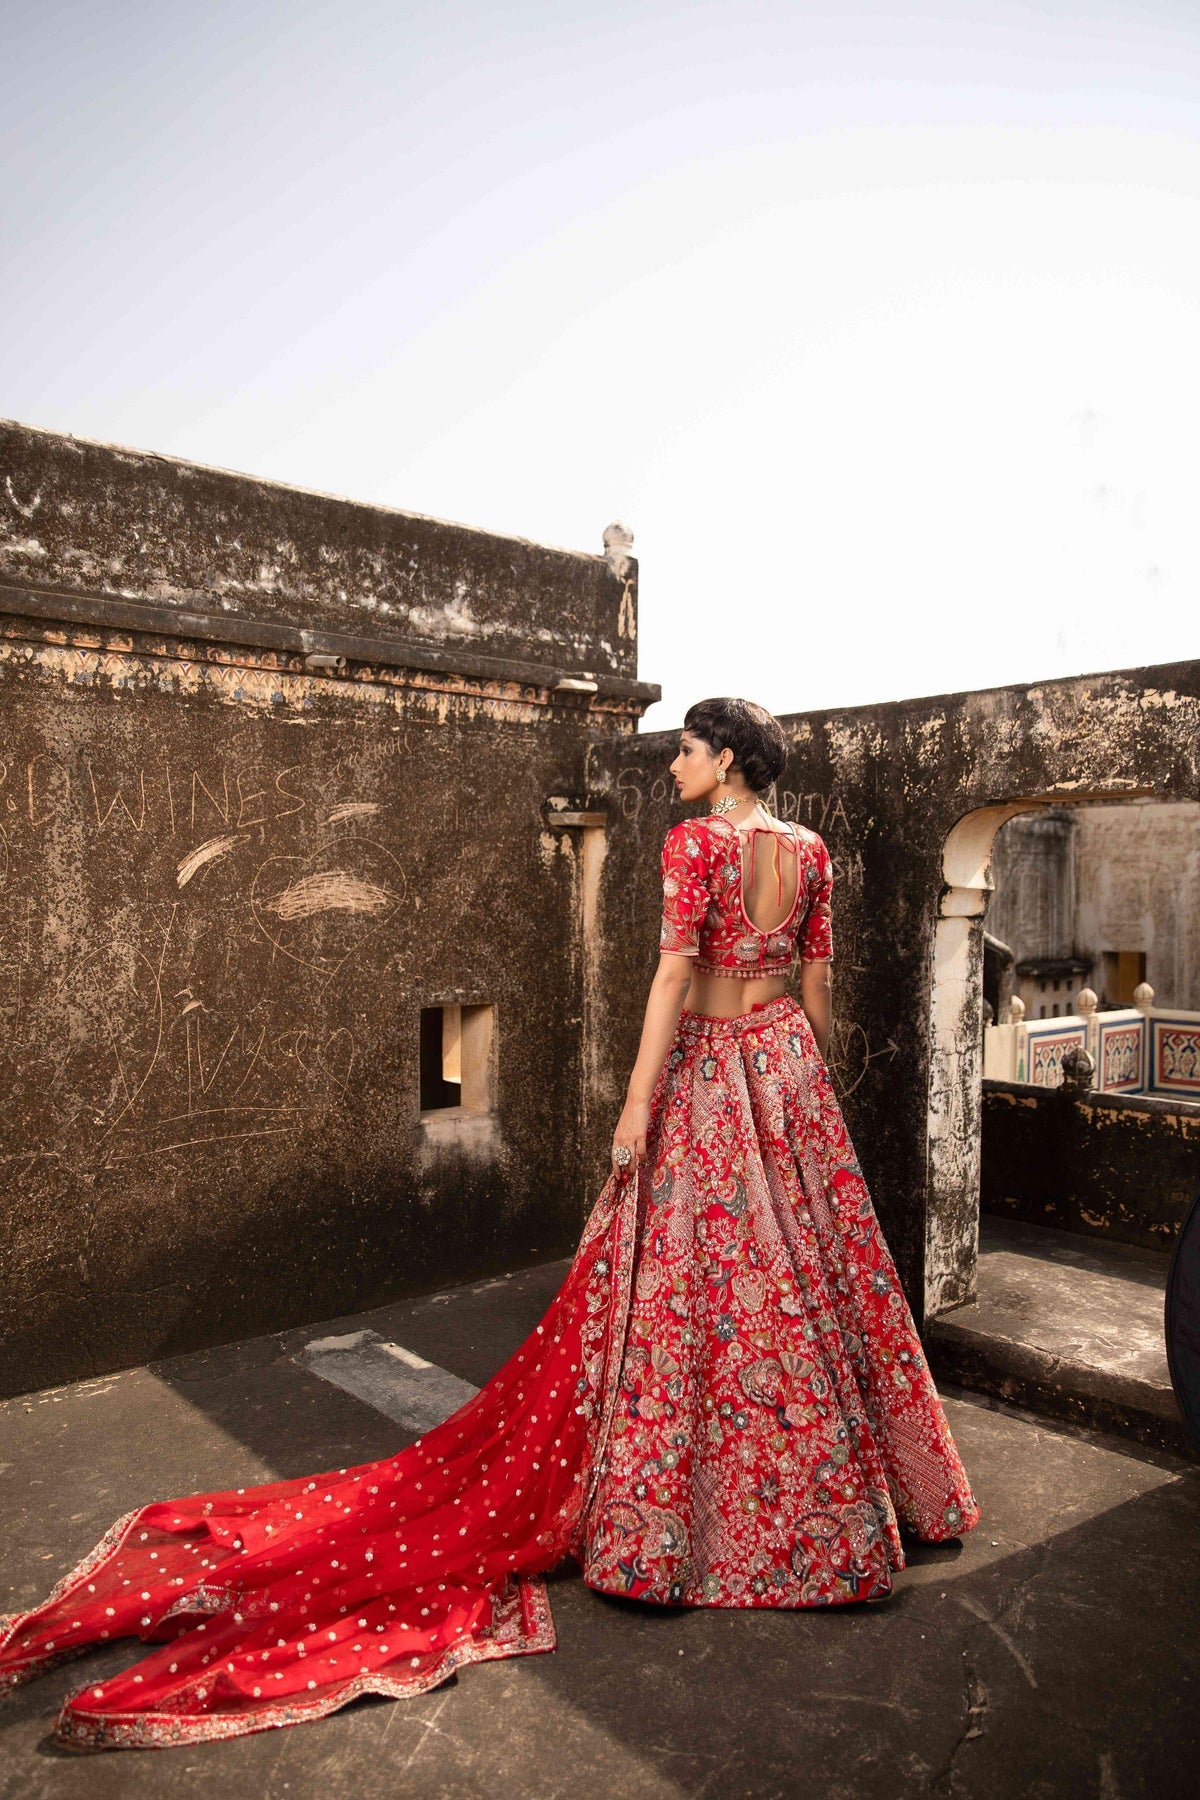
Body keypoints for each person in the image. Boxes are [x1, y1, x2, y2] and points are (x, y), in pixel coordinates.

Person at [0, 697, 979, 1749]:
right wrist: (811, 1081)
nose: (676, 766)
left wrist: (638, 1100)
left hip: (708, 1066)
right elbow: (818, 980)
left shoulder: (695, 845)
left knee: (693, 1285)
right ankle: (845, 1510)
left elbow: (671, 975)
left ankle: (678, 1529)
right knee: (803, 1279)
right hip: (783, 1060)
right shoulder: (811, 850)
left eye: (691, 750)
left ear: (729, 759)